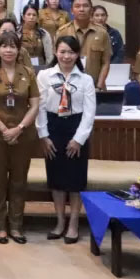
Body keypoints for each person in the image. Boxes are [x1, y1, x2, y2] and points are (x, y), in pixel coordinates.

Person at [0, 31, 40, 245]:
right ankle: (0, 226)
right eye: (4, 46)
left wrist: (19, 128)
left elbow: (35, 104)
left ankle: (16, 225)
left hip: (23, 136)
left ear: (19, 49)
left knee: (18, 181)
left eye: (12, 46)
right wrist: (4, 129)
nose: (8, 50)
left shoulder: (28, 73)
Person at [36, 35, 97, 243]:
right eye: (62, 51)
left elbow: (90, 113)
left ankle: (73, 224)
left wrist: (79, 139)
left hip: (76, 127)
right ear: (55, 52)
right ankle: (60, 222)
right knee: (57, 179)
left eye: (71, 52)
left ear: (77, 54)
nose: (66, 56)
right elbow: (40, 107)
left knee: (75, 180)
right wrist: (43, 135)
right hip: (53, 127)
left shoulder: (86, 79)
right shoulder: (45, 76)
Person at [55, 0, 110, 90]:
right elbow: (57, 60)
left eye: (85, 6)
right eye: (77, 6)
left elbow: (106, 62)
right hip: (69, 86)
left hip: (95, 87)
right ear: (72, 11)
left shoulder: (102, 33)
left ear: (91, 10)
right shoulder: (63, 32)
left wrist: (99, 86)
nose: (81, 9)